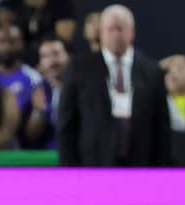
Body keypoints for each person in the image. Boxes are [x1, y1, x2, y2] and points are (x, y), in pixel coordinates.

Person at [58, 4, 172, 166]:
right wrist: (69, 169)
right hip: (93, 164)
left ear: (132, 33)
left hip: (141, 165)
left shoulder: (152, 71)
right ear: (101, 33)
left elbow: (162, 127)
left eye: (120, 29)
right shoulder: (79, 68)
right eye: (110, 29)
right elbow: (67, 124)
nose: (115, 35)